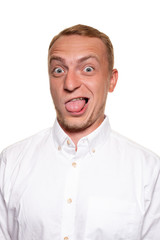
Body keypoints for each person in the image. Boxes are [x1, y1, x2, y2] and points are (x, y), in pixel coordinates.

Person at [0, 24, 160, 240]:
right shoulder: (10, 163)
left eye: (87, 69)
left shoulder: (149, 172)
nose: (70, 83)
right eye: (59, 70)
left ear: (111, 80)